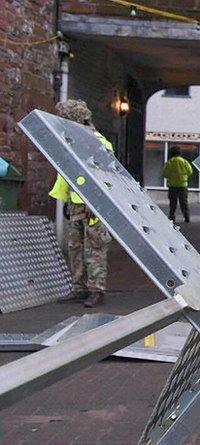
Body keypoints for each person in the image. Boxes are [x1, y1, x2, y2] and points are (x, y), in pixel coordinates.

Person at [49, 100, 113, 308]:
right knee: (75, 247)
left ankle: (97, 290)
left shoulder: (97, 142)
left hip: (93, 203)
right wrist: (67, 198)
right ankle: (79, 288)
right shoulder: (70, 139)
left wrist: (94, 201)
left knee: (95, 247)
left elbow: (105, 174)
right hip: (76, 202)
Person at [163, 146, 193, 223]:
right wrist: (184, 177)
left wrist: (171, 177)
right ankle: (186, 216)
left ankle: (172, 216)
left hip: (172, 185)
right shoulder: (184, 161)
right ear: (180, 153)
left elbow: (164, 173)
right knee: (184, 202)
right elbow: (190, 171)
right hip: (183, 185)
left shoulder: (169, 162)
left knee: (173, 203)